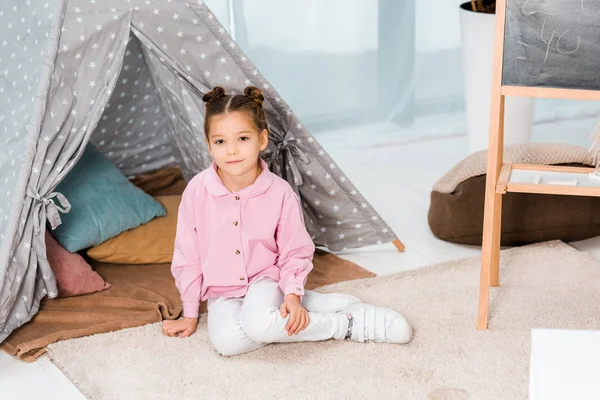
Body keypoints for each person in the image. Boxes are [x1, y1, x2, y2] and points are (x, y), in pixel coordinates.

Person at [162, 86, 412, 356]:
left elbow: (295, 250)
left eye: (242, 138)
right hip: (222, 292)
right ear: (209, 144)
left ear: (262, 139)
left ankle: (346, 325)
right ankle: (319, 305)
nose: (231, 150)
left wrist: (291, 294)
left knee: (258, 325)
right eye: (220, 141)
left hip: (265, 280)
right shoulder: (197, 192)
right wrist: (189, 313)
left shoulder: (280, 193)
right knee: (227, 343)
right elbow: (188, 255)